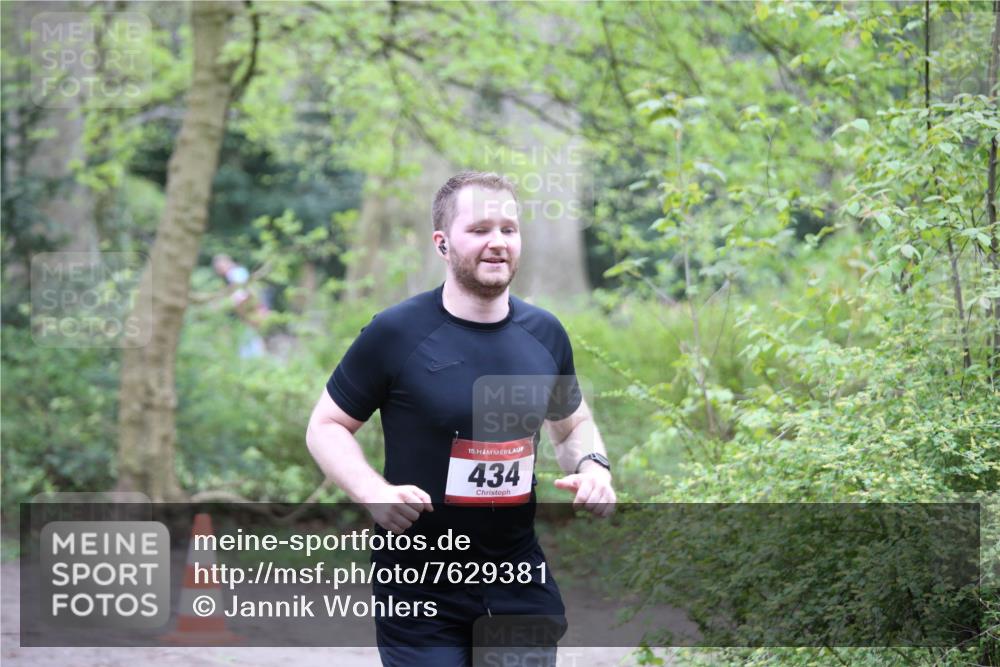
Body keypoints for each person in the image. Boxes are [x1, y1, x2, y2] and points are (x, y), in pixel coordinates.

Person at [306, 171, 616, 666]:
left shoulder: (545, 334)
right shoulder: (396, 333)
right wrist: (373, 492)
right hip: (420, 586)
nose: (497, 243)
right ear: (443, 243)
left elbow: (572, 424)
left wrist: (593, 466)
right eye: (479, 230)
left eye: (509, 231)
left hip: (517, 581)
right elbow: (326, 425)